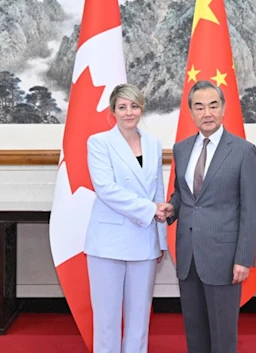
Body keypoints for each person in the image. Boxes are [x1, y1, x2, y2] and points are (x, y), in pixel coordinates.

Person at [161, 80, 256, 353]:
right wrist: (172, 207)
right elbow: (184, 196)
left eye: (213, 105)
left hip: (224, 258)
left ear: (223, 108)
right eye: (199, 107)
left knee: (222, 335)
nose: (207, 113)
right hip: (188, 256)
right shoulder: (181, 149)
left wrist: (243, 257)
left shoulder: (243, 151)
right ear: (191, 112)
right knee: (195, 333)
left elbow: (250, 209)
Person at [84, 83, 168, 353]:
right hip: (108, 243)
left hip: (145, 241)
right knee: (107, 320)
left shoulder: (154, 143)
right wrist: (149, 210)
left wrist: (161, 240)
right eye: (122, 107)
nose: (129, 112)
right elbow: (106, 189)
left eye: (134, 106)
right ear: (113, 112)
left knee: (139, 320)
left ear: (142, 108)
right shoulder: (99, 142)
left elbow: (158, 190)